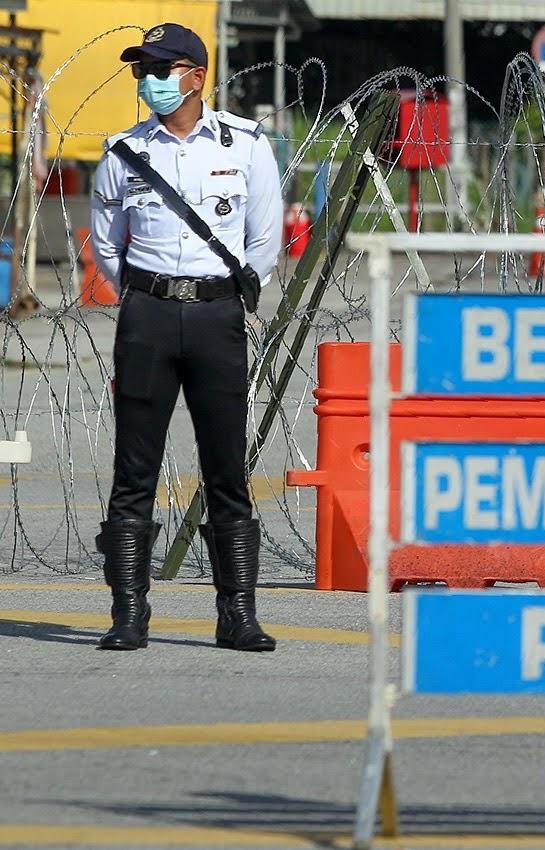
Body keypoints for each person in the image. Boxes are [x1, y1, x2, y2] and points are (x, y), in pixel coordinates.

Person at [89, 23, 283, 651]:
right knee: (133, 470)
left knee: (226, 467)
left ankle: (238, 614)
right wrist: (146, 295)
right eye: (141, 70)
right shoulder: (124, 151)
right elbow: (107, 246)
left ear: (196, 76)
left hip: (216, 317)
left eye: (159, 69)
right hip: (147, 315)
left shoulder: (245, 144)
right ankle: (128, 613)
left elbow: (264, 238)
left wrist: (223, 294)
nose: (148, 80)